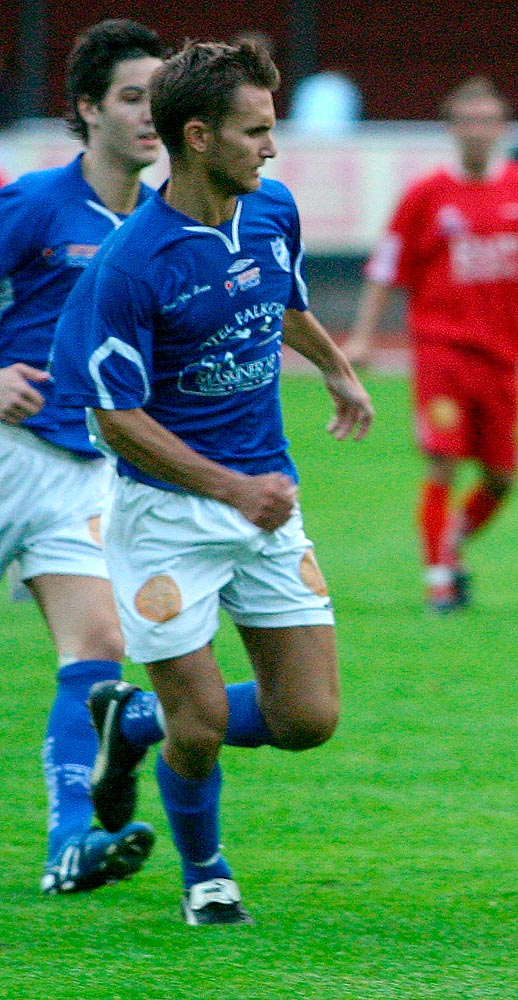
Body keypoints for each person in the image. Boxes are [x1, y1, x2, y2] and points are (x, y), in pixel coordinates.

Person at [49, 38, 373, 926]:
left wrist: (337, 369)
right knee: (200, 724)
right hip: (166, 521)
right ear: (198, 136)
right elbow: (115, 418)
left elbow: (283, 298)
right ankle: (207, 872)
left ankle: (137, 723)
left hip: (264, 504)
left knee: (308, 717)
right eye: (255, 131)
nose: (272, 147)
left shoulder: (271, 211)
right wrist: (230, 488)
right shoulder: (132, 264)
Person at [0, 18, 165, 897]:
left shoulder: (161, 225)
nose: (150, 116)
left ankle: (70, 844)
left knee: (99, 647)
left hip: (81, 472)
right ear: (87, 109)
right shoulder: (34, 204)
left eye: (159, 99)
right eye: (132, 98)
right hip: (4, 450)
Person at [345, 76, 518, 613]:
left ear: (503, 128)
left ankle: (452, 544)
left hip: (503, 357)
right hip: (442, 349)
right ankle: (439, 580)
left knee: (502, 476)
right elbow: (386, 265)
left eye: (487, 121)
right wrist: (362, 336)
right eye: (467, 121)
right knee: (442, 460)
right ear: (450, 130)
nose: (477, 131)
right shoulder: (425, 196)